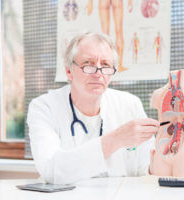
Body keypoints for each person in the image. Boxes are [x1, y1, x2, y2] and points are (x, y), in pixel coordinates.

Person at [27, 32, 159, 184]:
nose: (98, 73)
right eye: (88, 64)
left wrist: (165, 152)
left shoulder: (130, 104)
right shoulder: (44, 107)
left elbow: (146, 167)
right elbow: (51, 171)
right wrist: (117, 139)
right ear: (69, 71)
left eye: (105, 65)